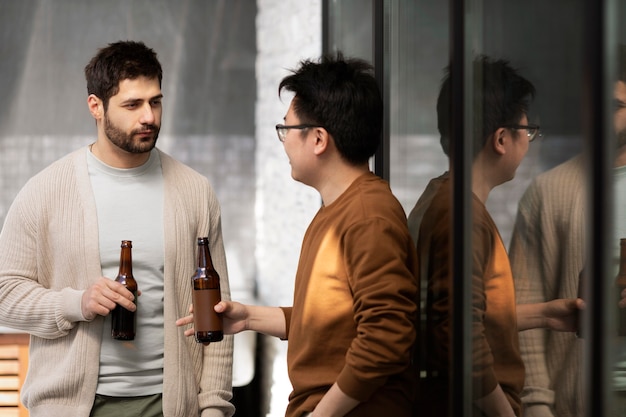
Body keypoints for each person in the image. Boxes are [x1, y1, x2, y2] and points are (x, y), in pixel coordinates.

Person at [0, 41, 234, 417]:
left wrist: (213, 408)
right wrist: (77, 303)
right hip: (74, 407)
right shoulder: (45, 191)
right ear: (95, 106)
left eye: (155, 102)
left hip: (172, 405)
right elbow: (5, 294)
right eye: (132, 105)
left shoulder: (195, 191)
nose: (149, 117)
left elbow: (217, 308)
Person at [178, 53, 419, 417]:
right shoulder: (337, 209)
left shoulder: (369, 216)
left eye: (286, 129)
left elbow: (387, 338)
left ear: (319, 139)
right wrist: (248, 319)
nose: (284, 142)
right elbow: (331, 322)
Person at [410, 56, 582, 417]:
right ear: (501, 139)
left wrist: (547, 315)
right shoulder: (463, 217)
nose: (530, 141)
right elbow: (459, 337)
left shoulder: (440, 197)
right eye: (528, 130)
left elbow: (456, 313)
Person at [509, 44, 626, 417]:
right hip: (576, 399)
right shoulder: (548, 191)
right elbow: (526, 307)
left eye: (614, 107)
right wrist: (537, 405)